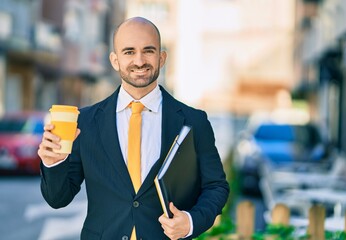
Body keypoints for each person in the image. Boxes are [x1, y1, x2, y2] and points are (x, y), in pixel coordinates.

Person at [38, 16, 229, 240]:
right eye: (129, 52)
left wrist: (190, 221)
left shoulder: (194, 121)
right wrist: (54, 163)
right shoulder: (86, 122)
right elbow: (58, 199)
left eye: (148, 51)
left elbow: (216, 187)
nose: (139, 61)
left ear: (162, 57)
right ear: (115, 60)